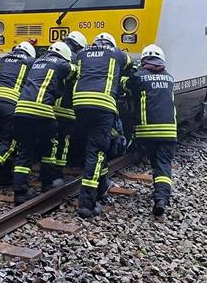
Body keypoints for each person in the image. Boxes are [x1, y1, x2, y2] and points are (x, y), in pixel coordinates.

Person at [73, 32, 132, 218]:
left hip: (80, 104)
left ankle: (102, 187)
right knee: (96, 152)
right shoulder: (116, 53)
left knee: (94, 149)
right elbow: (132, 66)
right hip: (103, 105)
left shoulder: (82, 53)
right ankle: (87, 203)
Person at [11, 41, 76, 204]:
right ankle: (48, 182)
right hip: (41, 110)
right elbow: (76, 71)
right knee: (50, 146)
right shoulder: (62, 63)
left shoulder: (37, 61)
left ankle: (20, 191)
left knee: (25, 150)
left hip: (20, 109)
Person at [124, 44, 177, 217]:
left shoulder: (139, 77)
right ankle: (161, 197)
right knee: (163, 164)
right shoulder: (170, 78)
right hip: (169, 131)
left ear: (144, 60)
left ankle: (159, 194)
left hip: (147, 131)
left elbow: (125, 86)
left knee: (155, 161)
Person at [0, 41, 36, 188]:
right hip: (10, 103)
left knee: (3, 137)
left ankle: (4, 176)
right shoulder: (30, 62)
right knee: (9, 142)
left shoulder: (3, 59)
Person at [53, 31, 88, 173]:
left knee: (53, 139)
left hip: (51, 106)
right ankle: (63, 167)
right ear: (79, 47)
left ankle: (49, 167)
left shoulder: (52, 57)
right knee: (66, 139)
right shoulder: (77, 58)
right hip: (67, 107)